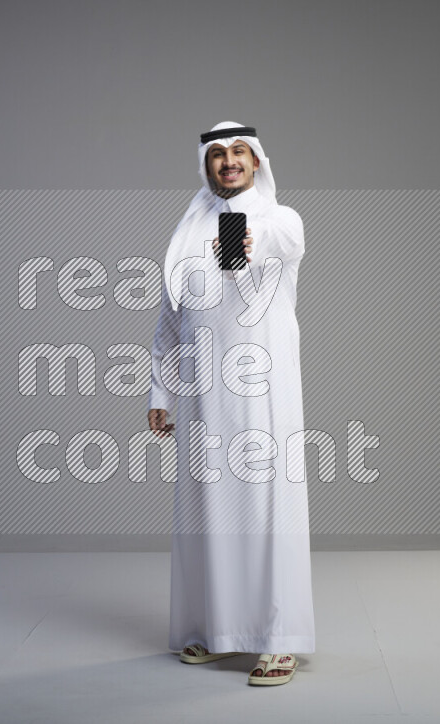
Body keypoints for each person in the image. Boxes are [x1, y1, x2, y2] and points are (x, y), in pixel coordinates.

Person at [147, 121, 315, 686]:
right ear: (206, 166)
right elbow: (172, 318)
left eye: (239, 152)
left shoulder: (279, 219)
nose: (228, 162)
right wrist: (161, 390)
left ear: (257, 162)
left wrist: (245, 239)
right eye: (218, 155)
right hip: (200, 396)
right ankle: (217, 633)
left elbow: (277, 242)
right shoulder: (185, 232)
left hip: (263, 394)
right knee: (206, 513)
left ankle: (278, 641)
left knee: (269, 511)